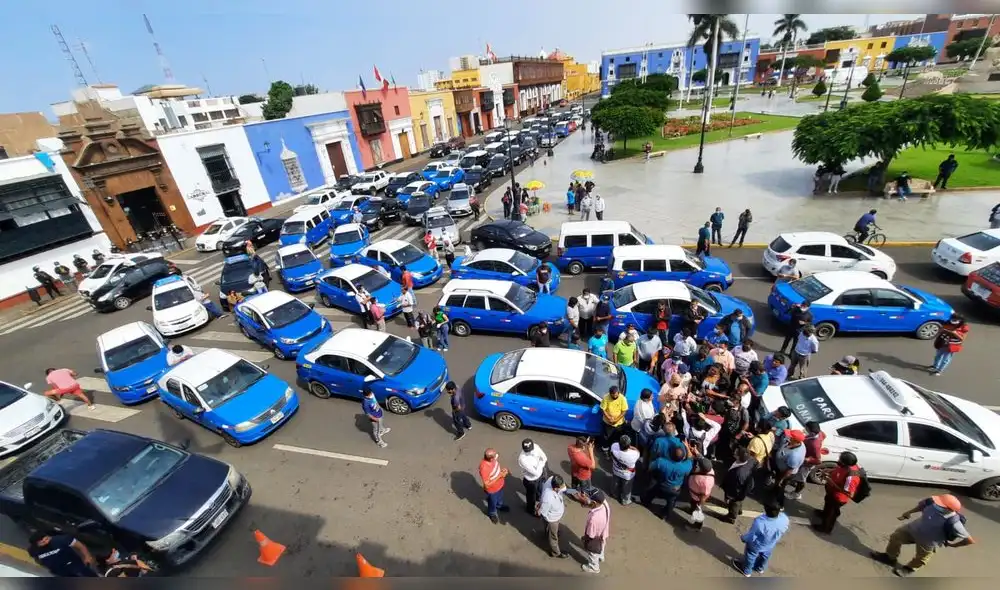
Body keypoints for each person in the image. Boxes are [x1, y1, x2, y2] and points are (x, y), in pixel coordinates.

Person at [871, 494, 975, 577]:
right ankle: (890, 557)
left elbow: (969, 540)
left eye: (940, 503)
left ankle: (909, 568)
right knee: (896, 537)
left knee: (921, 557)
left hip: (929, 541)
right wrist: (909, 512)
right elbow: (922, 506)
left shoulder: (954, 522)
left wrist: (954, 545)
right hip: (913, 529)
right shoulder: (931, 503)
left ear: (948, 509)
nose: (936, 503)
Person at [732, 502, 789, 577]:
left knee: (750, 556)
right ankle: (760, 568)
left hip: (756, 545)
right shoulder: (784, 518)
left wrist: (744, 538)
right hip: (770, 544)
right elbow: (784, 529)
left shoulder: (760, 522)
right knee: (765, 556)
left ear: (765, 509)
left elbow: (752, 536)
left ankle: (747, 571)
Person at [814, 451, 862, 534]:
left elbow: (849, 493)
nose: (838, 460)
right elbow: (840, 469)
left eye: (840, 459)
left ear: (845, 462)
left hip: (838, 498)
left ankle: (825, 528)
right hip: (831, 492)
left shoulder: (852, 476)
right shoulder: (847, 465)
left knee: (831, 513)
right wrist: (830, 470)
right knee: (828, 504)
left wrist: (831, 482)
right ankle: (824, 514)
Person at [643, 444, 692, 521]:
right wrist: (687, 447)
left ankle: (645, 502)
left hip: (662, 485)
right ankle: (665, 515)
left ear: (670, 455)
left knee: (652, 492)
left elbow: (650, 467)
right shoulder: (685, 466)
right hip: (675, 489)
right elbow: (690, 457)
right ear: (683, 458)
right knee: (671, 502)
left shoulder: (661, 462)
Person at [28, 531, 98, 577]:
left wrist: (87, 556)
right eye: (42, 542)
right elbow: (36, 559)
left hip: (74, 564)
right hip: (59, 571)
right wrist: (45, 564)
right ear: (36, 544)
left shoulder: (61, 540)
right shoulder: (33, 550)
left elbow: (80, 545)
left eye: (46, 539)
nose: (46, 542)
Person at [787, 421, 825, 500]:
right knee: (797, 475)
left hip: (806, 464)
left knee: (801, 480)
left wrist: (807, 459)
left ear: (810, 430)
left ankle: (796, 493)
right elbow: (824, 436)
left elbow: (818, 460)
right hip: (804, 456)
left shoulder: (815, 444)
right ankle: (793, 481)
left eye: (806, 428)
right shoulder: (820, 433)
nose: (805, 429)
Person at [536, 475, 571, 558]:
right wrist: (539, 511)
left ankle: (548, 533)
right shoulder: (548, 498)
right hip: (552, 519)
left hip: (555, 516)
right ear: (555, 488)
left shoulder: (552, 480)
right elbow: (544, 512)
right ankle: (556, 552)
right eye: (561, 487)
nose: (563, 488)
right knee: (553, 537)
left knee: (550, 529)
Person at [722, 446, 757, 523]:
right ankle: (739, 510)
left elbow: (735, 488)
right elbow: (756, 465)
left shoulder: (739, 473)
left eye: (736, 453)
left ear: (738, 457)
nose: (734, 453)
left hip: (737, 491)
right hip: (746, 485)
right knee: (739, 500)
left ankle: (731, 517)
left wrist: (729, 495)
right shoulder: (751, 460)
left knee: (735, 502)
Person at [772, 429, 807, 505]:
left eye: (790, 436)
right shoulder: (796, 443)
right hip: (781, 468)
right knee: (777, 484)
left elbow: (789, 471)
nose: (788, 436)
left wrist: (782, 479)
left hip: (785, 473)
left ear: (795, 440)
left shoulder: (795, 455)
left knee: (780, 487)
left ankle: (779, 504)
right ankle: (774, 490)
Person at [580, 489, 611, 574]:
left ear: (594, 502)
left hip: (595, 538)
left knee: (593, 553)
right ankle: (601, 556)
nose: (587, 498)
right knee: (602, 544)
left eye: (588, 498)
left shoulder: (594, 519)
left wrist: (584, 538)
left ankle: (594, 568)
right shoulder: (604, 503)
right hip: (603, 532)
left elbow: (591, 535)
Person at [479, 448, 510, 524]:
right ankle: (492, 513)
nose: (497, 455)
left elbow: (496, 469)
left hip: (500, 484)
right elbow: (487, 484)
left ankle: (499, 505)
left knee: (500, 497)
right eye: (495, 454)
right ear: (491, 459)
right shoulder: (484, 468)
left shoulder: (494, 459)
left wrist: (503, 471)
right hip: (492, 490)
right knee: (492, 502)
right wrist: (499, 476)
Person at [517, 438, 548, 513]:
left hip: (541, 475)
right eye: (527, 450)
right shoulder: (522, 459)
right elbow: (535, 473)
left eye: (530, 449)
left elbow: (544, 457)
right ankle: (530, 509)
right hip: (531, 480)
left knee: (540, 490)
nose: (529, 451)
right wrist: (541, 463)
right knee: (531, 497)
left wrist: (539, 466)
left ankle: (538, 499)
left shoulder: (536, 447)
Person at [610, 434, 640, 505]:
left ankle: (613, 493)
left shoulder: (614, 446)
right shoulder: (634, 454)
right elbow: (638, 451)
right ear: (629, 445)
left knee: (615, 482)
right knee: (627, 488)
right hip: (627, 475)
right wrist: (631, 447)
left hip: (616, 470)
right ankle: (625, 500)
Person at [687, 457, 715, 530]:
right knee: (692, 504)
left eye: (698, 465)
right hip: (694, 496)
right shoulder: (710, 470)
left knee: (697, 511)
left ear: (702, 469)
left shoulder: (705, 482)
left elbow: (703, 496)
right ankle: (692, 509)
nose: (696, 465)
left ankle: (697, 525)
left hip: (697, 499)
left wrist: (699, 506)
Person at [599, 386, 629, 454]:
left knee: (618, 437)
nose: (615, 396)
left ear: (618, 393)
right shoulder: (606, 397)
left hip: (619, 423)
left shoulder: (622, 398)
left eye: (616, 394)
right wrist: (609, 418)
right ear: (610, 394)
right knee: (606, 437)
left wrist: (616, 420)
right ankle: (605, 450)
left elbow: (624, 411)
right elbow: (603, 409)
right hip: (608, 422)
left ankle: (616, 451)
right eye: (613, 395)